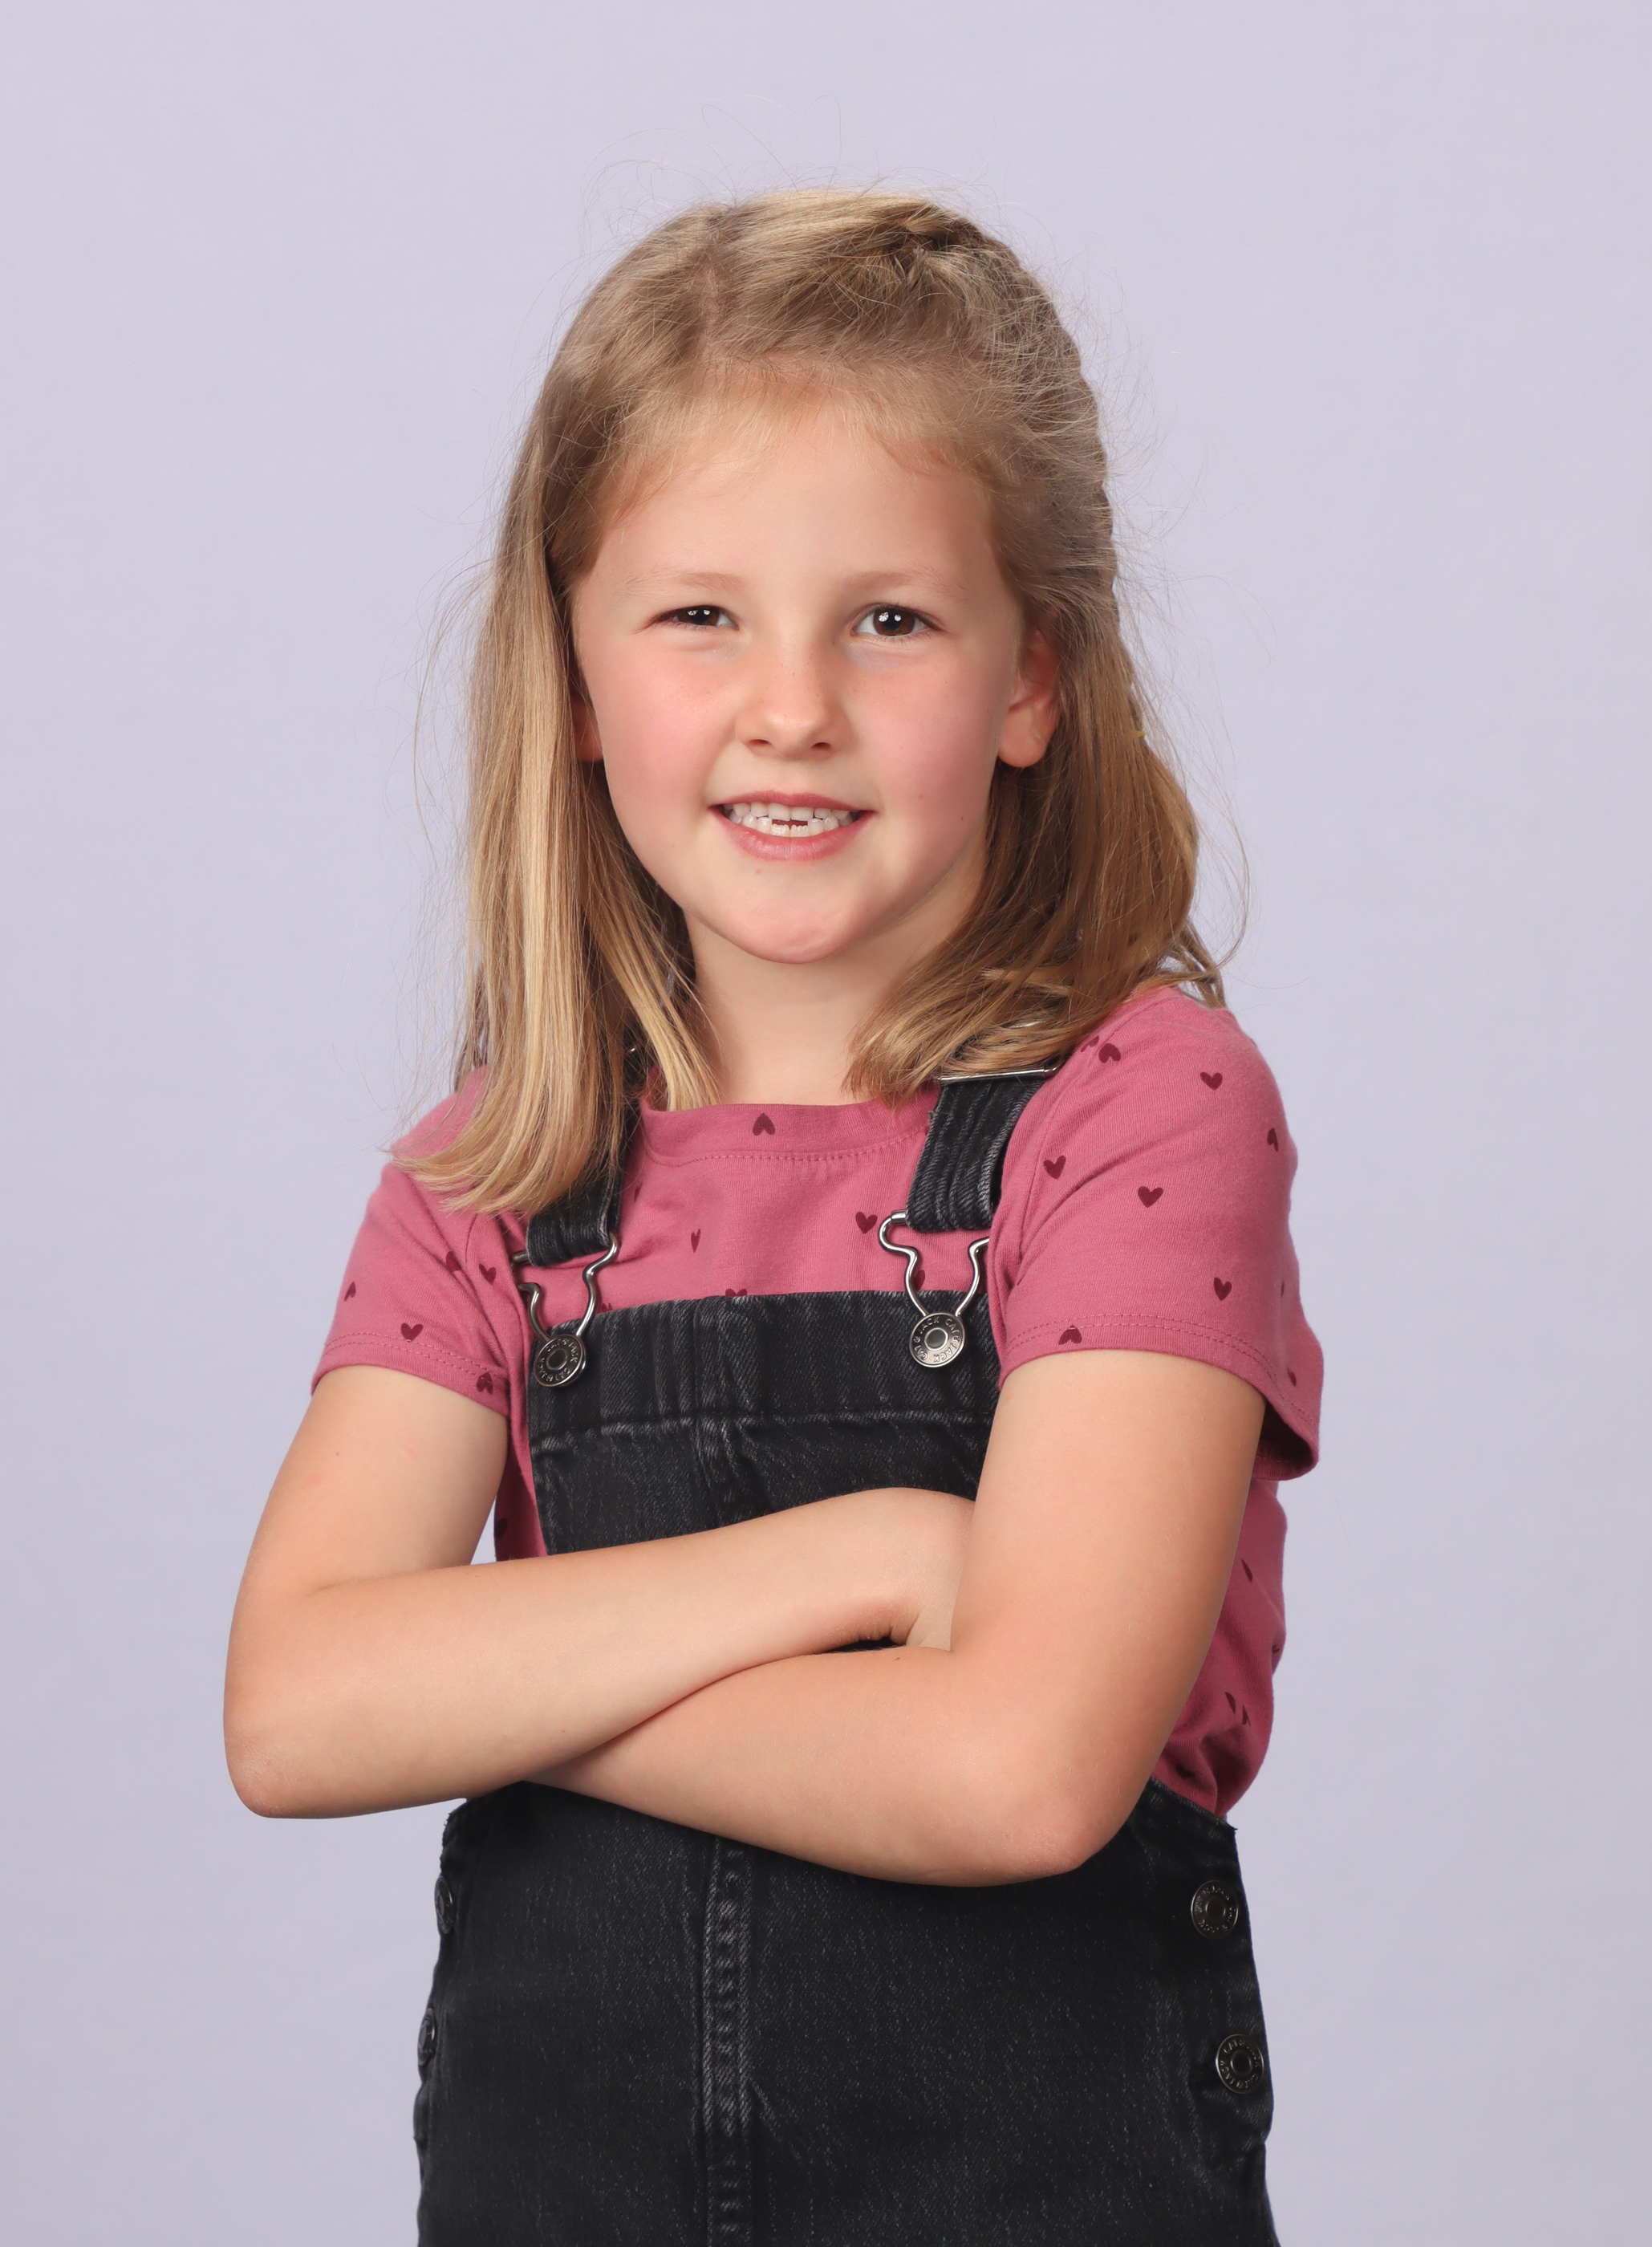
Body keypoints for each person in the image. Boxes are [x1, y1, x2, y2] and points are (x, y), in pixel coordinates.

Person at [224, 188, 1322, 2246]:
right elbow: (294, 1707)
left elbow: (1016, 1770)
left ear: (1030, 676)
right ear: (572, 675)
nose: (791, 703)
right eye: (698, 615)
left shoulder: (1142, 1112)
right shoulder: (497, 1169)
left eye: (887, 619)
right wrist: (870, 1551)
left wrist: (516, 1687)